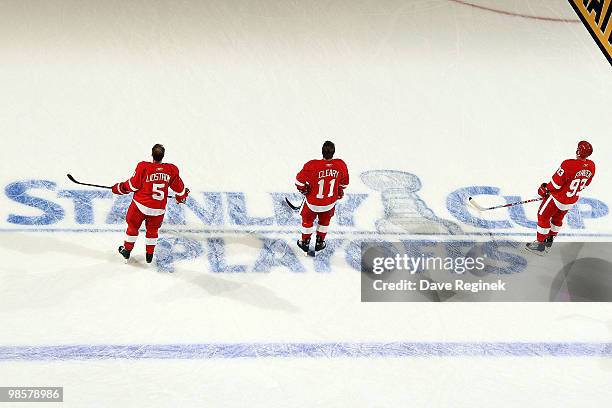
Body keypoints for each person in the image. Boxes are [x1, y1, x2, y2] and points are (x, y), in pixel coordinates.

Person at [112, 144, 189, 263]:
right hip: (158, 209)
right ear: (163, 156)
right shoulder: (171, 170)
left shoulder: (143, 167)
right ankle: (149, 255)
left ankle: (127, 250)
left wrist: (119, 188)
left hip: (140, 206)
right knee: (152, 230)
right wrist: (181, 197)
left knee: (133, 226)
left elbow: (133, 185)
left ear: (152, 155)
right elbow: (180, 189)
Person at [526, 140, 595, 254]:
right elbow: (586, 184)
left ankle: (540, 244)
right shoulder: (591, 166)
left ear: (578, 150)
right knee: (557, 219)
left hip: (557, 198)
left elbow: (556, 183)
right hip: (571, 199)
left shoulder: (568, 164)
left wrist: (545, 189)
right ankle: (549, 241)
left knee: (543, 216)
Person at [294, 141, 349, 253]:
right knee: (324, 221)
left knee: (307, 220)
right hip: (330, 202)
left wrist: (305, 190)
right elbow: (344, 184)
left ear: (322, 151)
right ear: (333, 152)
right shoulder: (340, 165)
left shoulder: (312, 165)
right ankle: (320, 242)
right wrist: (338, 190)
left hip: (312, 202)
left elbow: (299, 182)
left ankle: (305, 243)